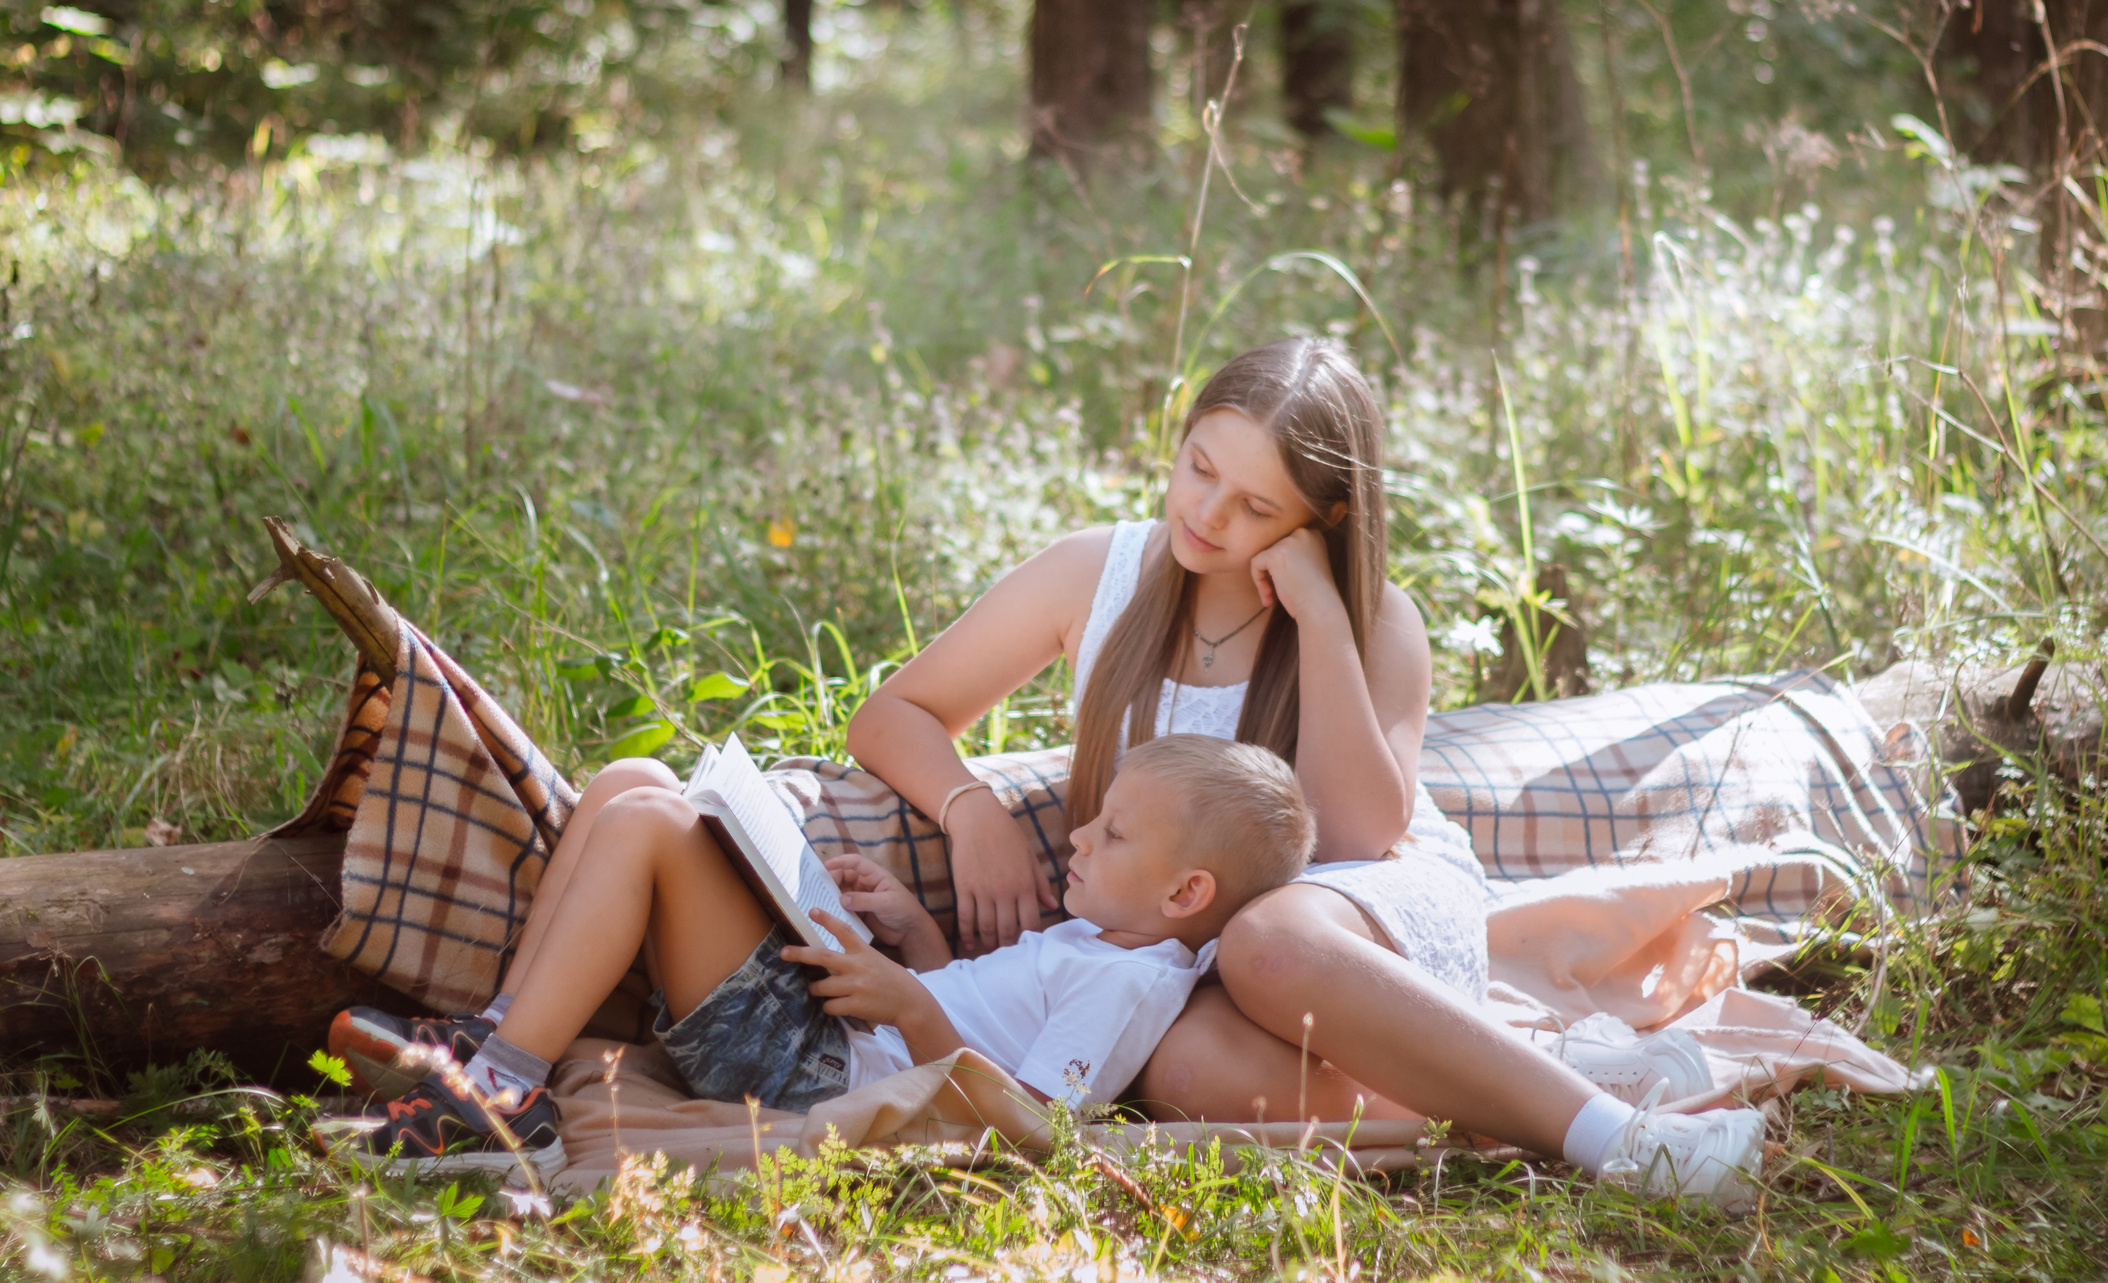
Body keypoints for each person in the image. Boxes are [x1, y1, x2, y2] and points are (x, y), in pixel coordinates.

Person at [842, 336, 1764, 1206]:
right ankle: (1549, 1087)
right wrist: (971, 809)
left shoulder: (1376, 618)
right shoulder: (1096, 572)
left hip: (1352, 911)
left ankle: (1627, 1142)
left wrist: (1319, 614)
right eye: (1200, 467)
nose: (1206, 514)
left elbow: (1360, 833)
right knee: (1179, 1071)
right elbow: (891, 713)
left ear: (1322, 519)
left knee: (1267, 940)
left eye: (1254, 506)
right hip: (1184, 945)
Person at [335, 734, 1315, 1179]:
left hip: (816, 1070)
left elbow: (1027, 1125)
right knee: (632, 779)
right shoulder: (1106, 936)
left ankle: (502, 1097)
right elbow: (975, 1006)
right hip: (844, 1029)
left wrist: (901, 1006)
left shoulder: (1129, 983)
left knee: (645, 823)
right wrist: (912, 941)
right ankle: (498, 1043)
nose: (1081, 839)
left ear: (1186, 894)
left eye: (1113, 835)